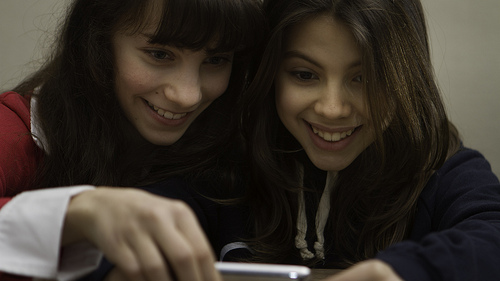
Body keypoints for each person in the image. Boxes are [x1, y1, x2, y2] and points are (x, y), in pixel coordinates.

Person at [0, 0, 265, 280]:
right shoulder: (15, 128)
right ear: (98, 43)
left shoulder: (239, 153)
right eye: (160, 54)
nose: (188, 95)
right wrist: (75, 213)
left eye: (215, 60)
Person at [239, 0, 500, 280]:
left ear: (405, 79)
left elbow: (492, 234)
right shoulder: (226, 161)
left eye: (365, 78)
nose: (333, 108)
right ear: (269, 73)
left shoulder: (441, 167)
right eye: (305, 75)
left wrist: (402, 270)